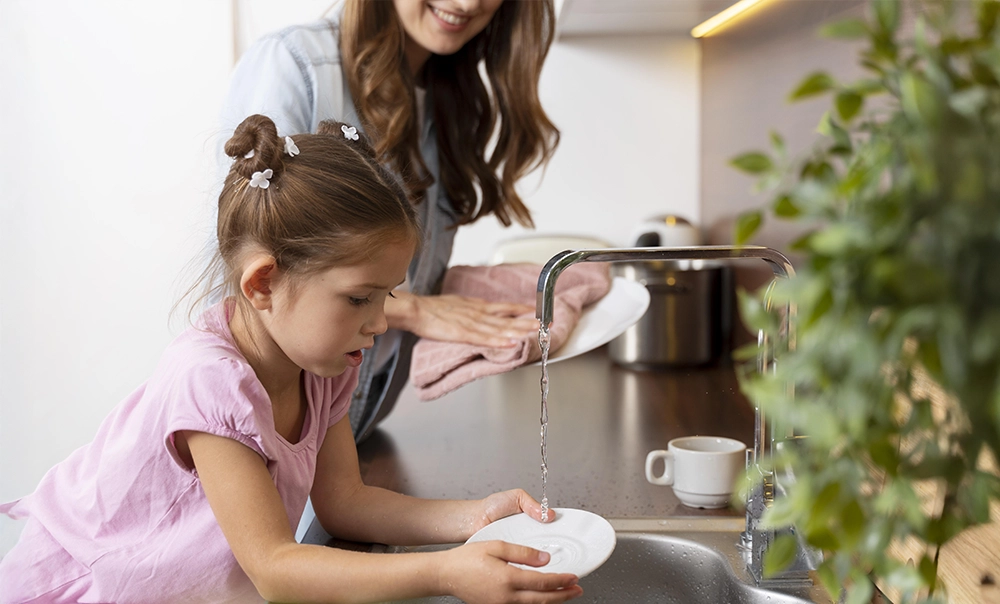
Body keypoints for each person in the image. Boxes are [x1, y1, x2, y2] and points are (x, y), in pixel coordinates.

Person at [0, 115, 583, 604]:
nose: (380, 321)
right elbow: (275, 569)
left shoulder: (323, 365)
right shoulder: (210, 381)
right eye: (359, 297)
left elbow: (344, 501)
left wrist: (475, 517)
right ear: (263, 285)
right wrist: (444, 572)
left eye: (388, 295)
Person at [220, 0, 561, 441]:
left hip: (352, 433)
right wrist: (416, 310)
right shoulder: (296, 65)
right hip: (268, 435)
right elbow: (248, 263)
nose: (469, 3)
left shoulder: (445, 94)